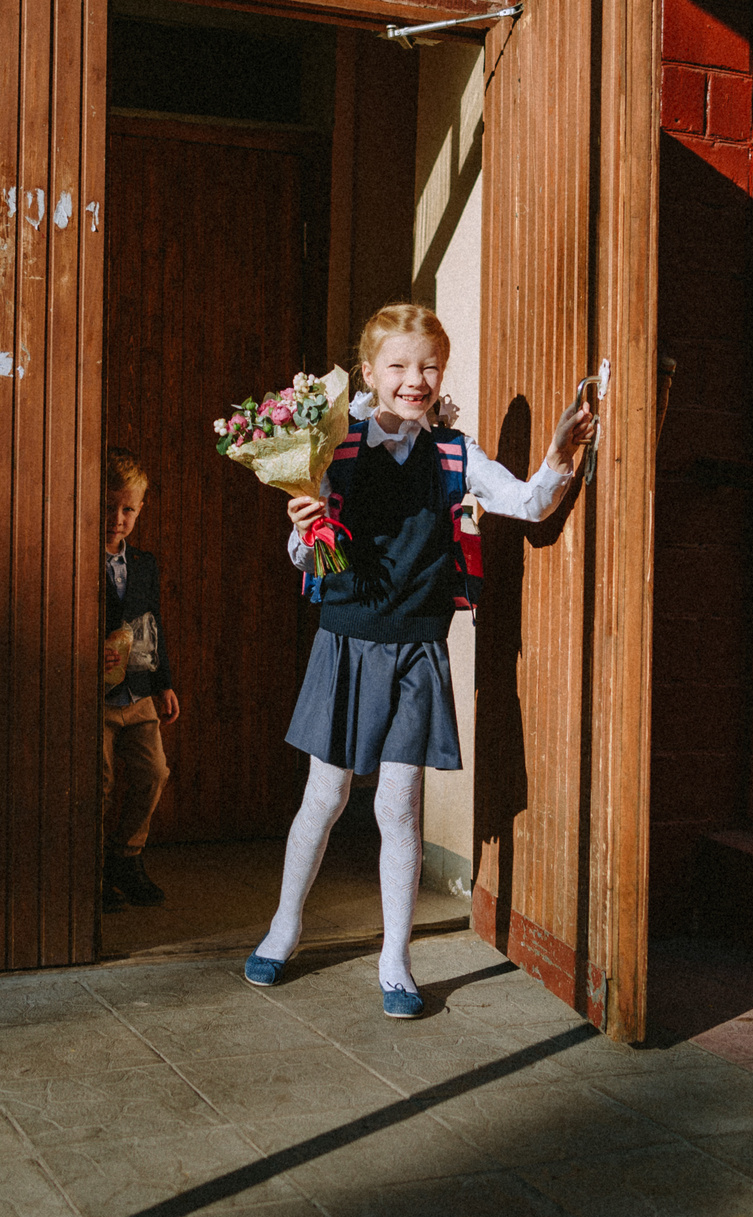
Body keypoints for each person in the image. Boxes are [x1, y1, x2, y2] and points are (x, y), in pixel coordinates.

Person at [247, 303, 595, 1017]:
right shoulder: (333, 447)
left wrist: (562, 452)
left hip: (417, 651)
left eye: (429, 366)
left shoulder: (455, 453)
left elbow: (530, 504)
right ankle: (284, 927)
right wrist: (303, 525)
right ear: (368, 373)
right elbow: (303, 556)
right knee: (325, 797)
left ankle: (396, 960)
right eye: (399, 366)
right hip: (346, 642)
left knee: (399, 808)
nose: (415, 379)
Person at [99, 448, 178, 911]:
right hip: (96, 695)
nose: (118, 519)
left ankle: (125, 859)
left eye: (128, 509)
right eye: (109, 507)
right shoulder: (78, 556)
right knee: (100, 782)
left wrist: (164, 682)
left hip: (139, 690)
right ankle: (89, 869)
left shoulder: (144, 564)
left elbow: (154, 624)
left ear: (141, 508)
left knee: (154, 772)